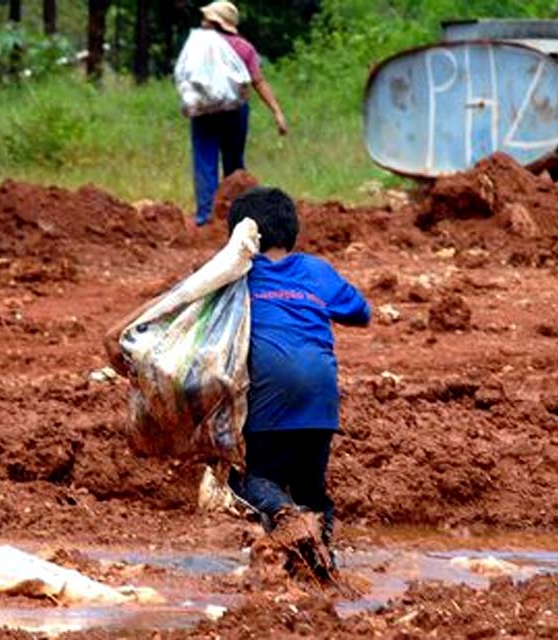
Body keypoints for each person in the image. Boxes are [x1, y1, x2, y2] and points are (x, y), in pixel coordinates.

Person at [226, 186, 370, 562]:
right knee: (311, 491)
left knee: (253, 480)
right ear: (292, 232)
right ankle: (322, 563)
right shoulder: (317, 271)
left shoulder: (236, 274)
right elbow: (361, 312)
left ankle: (283, 515)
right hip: (320, 401)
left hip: (269, 397)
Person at [188, 1, 288, 227]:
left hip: (204, 111)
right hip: (234, 113)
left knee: (204, 162)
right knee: (234, 164)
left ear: (214, 22)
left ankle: (206, 216)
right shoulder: (244, 48)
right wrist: (277, 112)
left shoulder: (199, 46)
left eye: (207, 19)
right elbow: (258, 81)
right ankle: (235, 214)